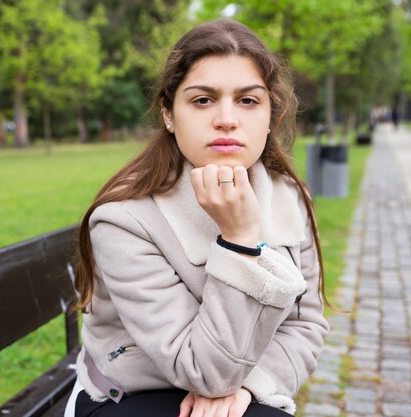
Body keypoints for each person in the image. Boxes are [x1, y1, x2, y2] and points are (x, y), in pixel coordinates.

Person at [64, 18, 329, 417]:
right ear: (168, 113)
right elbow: (202, 372)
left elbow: (305, 326)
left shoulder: (289, 197)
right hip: (131, 392)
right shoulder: (124, 218)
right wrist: (238, 239)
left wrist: (252, 388)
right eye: (203, 100)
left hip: (240, 387)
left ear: (271, 113)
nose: (226, 118)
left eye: (248, 100)